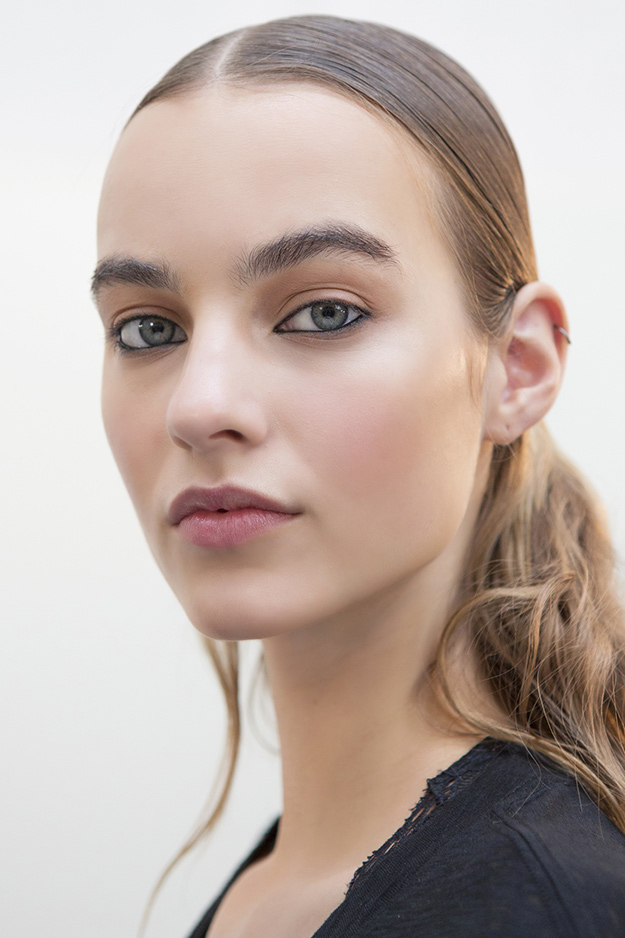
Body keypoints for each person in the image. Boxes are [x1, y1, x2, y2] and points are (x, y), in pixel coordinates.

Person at [92, 14, 625, 938]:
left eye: (323, 313)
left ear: (518, 367)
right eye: (149, 328)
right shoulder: (281, 886)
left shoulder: (541, 901)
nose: (198, 405)